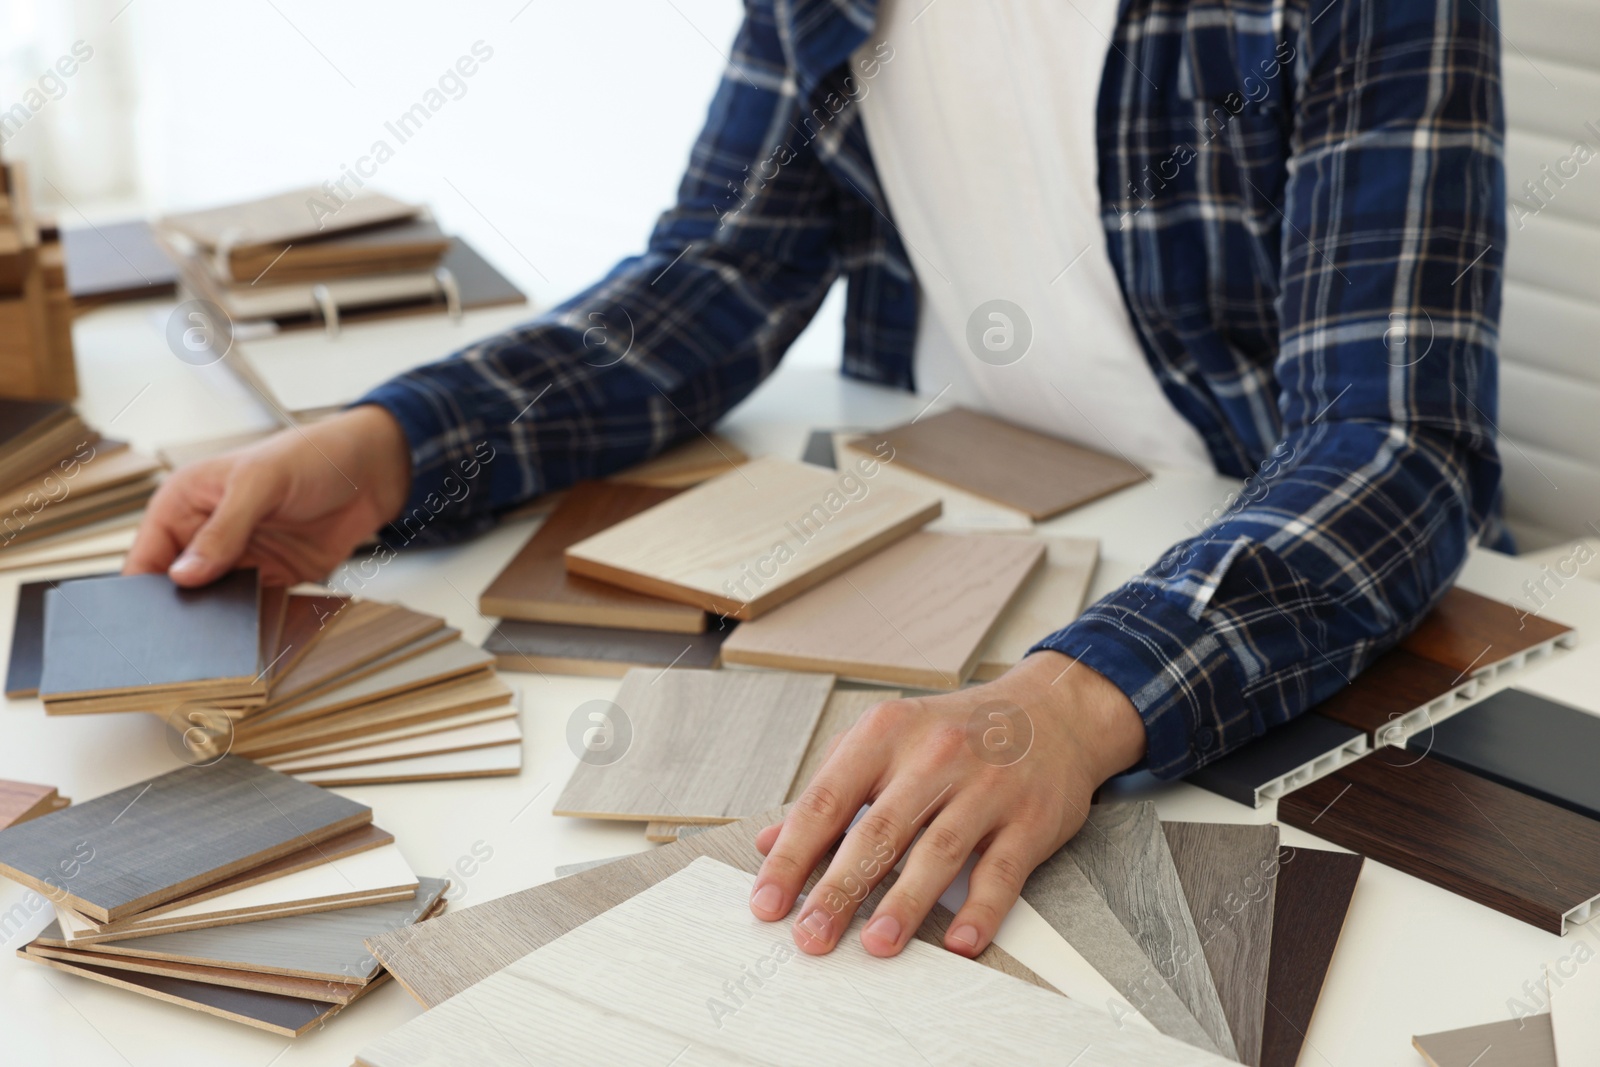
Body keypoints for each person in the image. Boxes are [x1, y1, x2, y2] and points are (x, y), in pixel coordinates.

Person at [127, 0, 1508, 964]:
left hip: (1267, 616)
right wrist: (396, 445)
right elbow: (718, 273)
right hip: (974, 543)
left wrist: (1079, 697)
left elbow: (1393, 442)